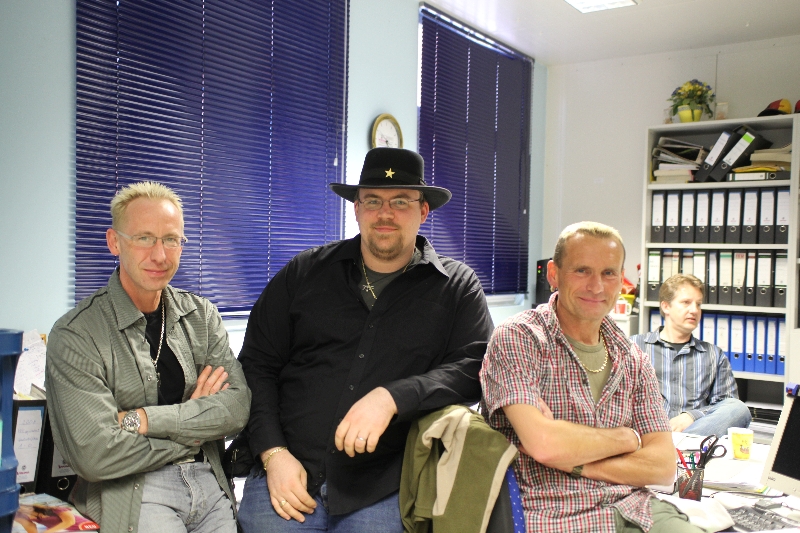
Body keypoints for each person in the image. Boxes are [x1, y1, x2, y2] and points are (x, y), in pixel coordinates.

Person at [236, 147, 494, 533]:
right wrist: (273, 454)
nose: (385, 213)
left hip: (383, 483)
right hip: (288, 468)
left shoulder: (456, 287)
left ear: (423, 211)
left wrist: (392, 398)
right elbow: (257, 363)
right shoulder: (304, 273)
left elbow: (473, 368)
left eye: (400, 201)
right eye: (372, 200)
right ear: (356, 209)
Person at [46, 182, 251, 533]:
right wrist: (192, 432)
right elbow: (95, 454)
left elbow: (236, 407)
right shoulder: (76, 334)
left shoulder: (201, 316)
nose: (160, 255)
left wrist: (141, 419)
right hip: (135, 488)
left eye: (171, 239)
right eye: (144, 238)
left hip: (208, 480)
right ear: (115, 242)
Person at [480, 221, 703, 532]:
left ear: (621, 280)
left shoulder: (632, 356)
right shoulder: (519, 338)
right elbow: (544, 445)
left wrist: (578, 462)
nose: (597, 286)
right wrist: (628, 438)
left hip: (634, 508)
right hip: (554, 514)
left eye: (608, 273)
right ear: (554, 274)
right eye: (582, 270)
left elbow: (664, 467)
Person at [631, 274, 751, 436]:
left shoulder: (714, 355)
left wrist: (692, 416)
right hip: (648, 434)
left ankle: (677, 446)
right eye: (686, 302)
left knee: (738, 408)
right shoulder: (635, 347)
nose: (694, 310)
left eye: (698, 304)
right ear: (666, 306)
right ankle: (666, 445)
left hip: (694, 436)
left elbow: (726, 407)